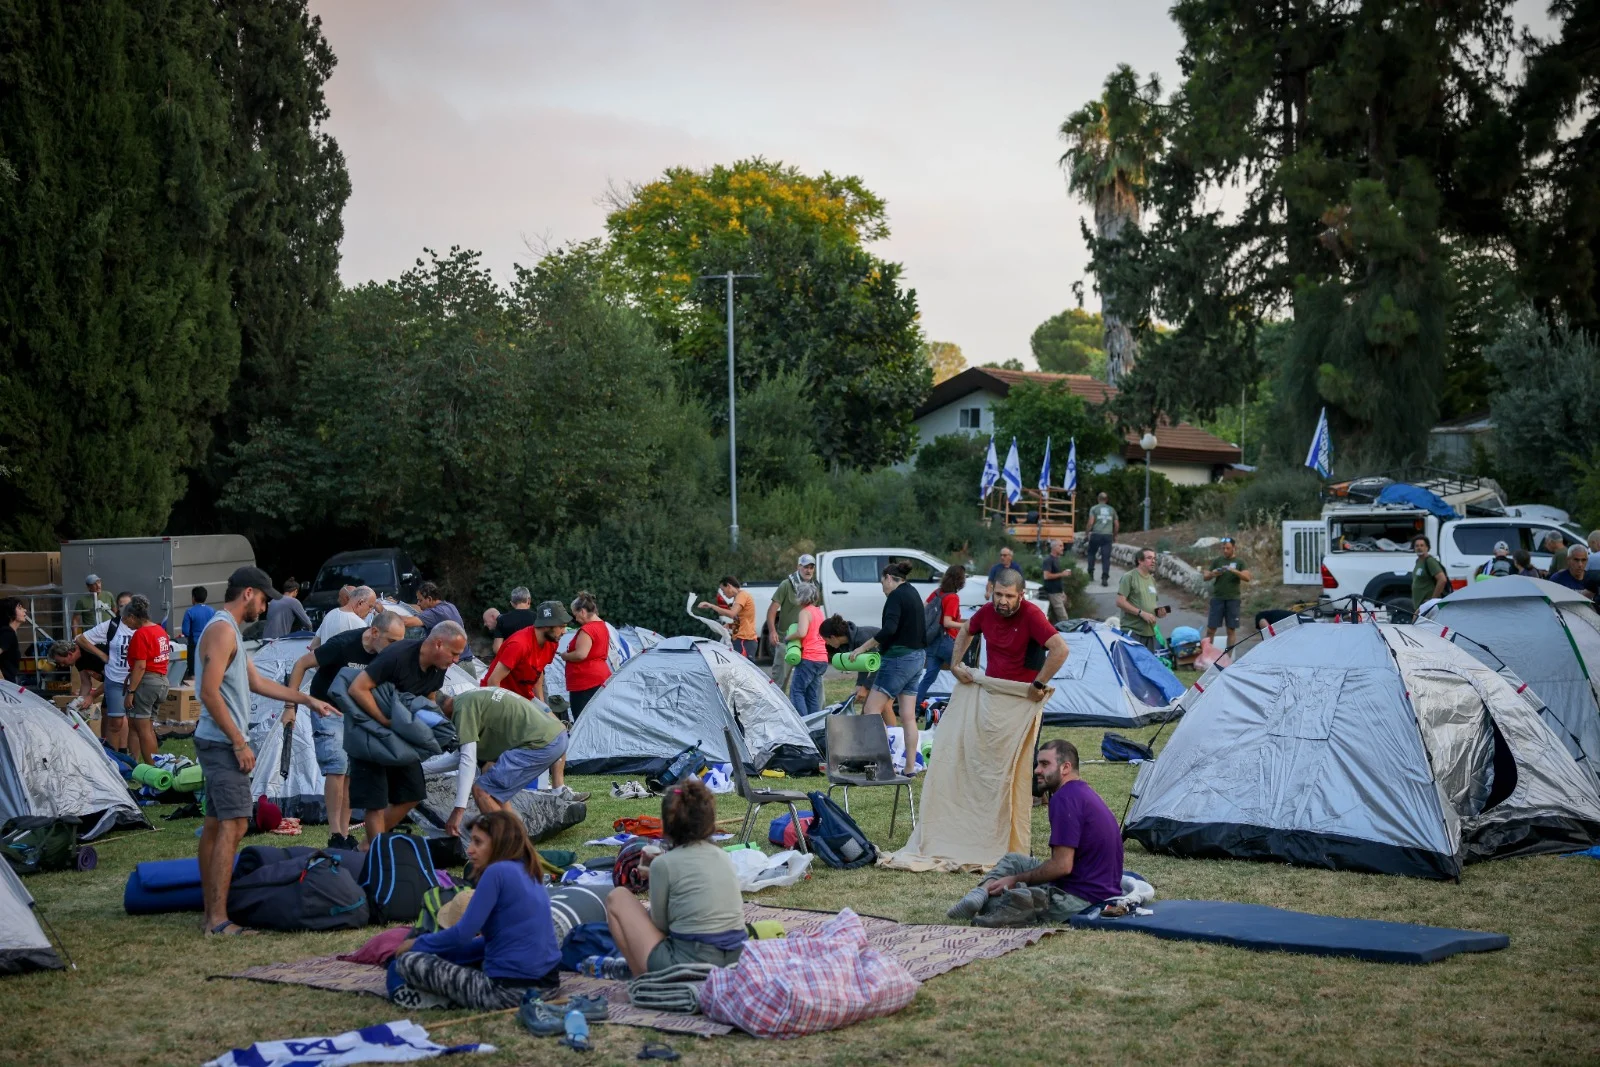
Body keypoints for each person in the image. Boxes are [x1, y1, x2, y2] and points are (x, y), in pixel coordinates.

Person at [194, 567, 336, 936]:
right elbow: (209, 692)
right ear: (248, 594)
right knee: (236, 823)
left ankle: (210, 909)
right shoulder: (223, 630)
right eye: (263, 597)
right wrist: (239, 742)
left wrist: (305, 698)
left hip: (218, 740)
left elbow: (256, 682)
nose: (265, 605)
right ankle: (217, 920)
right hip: (223, 743)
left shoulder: (230, 632)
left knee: (215, 824)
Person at [388, 810, 561, 1010]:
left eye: (478, 843)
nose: (469, 850)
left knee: (406, 963)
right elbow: (493, 941)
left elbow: (462, 934)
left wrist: (417, 943)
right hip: (549, 984)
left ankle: (427, 998)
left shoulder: (496, 872)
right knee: (464, 952)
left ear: (498, 844)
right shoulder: (527, 869)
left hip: (508, 992)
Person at [947, 740, 1124, 927]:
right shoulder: (1080, 792)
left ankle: (986, 897)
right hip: (1095, 887)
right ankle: (979, 894)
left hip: (1082, 899)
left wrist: (1015, 880)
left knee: (996, 903)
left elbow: (1062, 866)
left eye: (1045, 764)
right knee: (1014, 860)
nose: (1037, 770)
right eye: (1038, 764)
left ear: (1065, 768)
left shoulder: (1065, 799)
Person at [284, 611, 408, 850]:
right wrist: (291, 706)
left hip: (355, 713)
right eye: (392, 641)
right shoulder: (343, 645)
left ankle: (344, 832)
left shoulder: (387, 656)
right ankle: (334, 834)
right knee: (337, 767)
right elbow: (301, 664)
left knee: (352, 771)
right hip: (327, 708)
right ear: (374, 632)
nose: (395, 648)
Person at [601, 779, 746, 977]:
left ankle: (642, 979)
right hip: (733, 958)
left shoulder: (664, 864)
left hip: (689, 962)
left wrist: (657, 879)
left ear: (667, 825)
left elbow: (660, 925)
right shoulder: (722, 856)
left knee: (617, 897)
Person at [344, 621, 468, 844]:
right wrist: (385, 720)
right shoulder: (398, 656)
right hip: (368, 732)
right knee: (375, 800)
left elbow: (427, 701)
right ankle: (376, 854)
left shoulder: (438, 669)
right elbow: (357, 688)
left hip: (398, 737)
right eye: (454, 653)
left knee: (412, 793)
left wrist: (431, 729)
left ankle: (367, 845)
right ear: (438, 644)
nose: (456, 660)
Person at [438, 687, 571, 834]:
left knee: (482, 791)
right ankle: (519, 838)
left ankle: (509, 847)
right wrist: (421, 769)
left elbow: (467, 760)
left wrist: (458, 810)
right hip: (557, 735)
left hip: (542, 743)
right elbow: (460, 757)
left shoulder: (462, 710)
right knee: (493, 783)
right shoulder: (467, 698)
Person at [849, 562, 927, 774]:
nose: (882, 587)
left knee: (871, 710)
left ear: (889, 578)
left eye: (882, 582)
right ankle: (909, 767)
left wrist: (863, 647)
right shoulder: (912, 592)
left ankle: (887, 763)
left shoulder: (895, 597)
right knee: (908, 716)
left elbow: (889, 629)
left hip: (899, 659)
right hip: (918, 657)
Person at [950, 569, 1068, 694]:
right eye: (998, 594)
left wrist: (1038, 684)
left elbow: (1061, 649)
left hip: (1022, 694)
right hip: (992, 689)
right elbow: (965, 630)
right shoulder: (987, 611)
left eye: (1009, 596)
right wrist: (954, 666)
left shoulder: (1032, 615)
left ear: (1021, 595)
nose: (1002, 601)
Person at [80, 593, 136, 755]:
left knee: (136, 723)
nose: (124, 608)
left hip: (138, 679)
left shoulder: (141, 625)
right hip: (116, 679)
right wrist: (102, 655)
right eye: (121, 605)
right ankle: (114, 757)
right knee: (116, 722)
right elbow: (81, 639)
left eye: (128, 604)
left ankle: (134, 761)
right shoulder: (111, 625)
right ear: (117, 608)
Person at [483, 600, 569, 702]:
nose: (565, 631)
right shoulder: (519, 645)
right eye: (561, 626)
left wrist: (542, 705)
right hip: (501, 697)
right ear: (546, 625)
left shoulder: (552, 642)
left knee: (548, 716)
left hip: (523, 697)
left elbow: (538, 673)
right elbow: (493, 681)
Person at [122, 596, 171, 766]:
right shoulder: (159, 630)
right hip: (161, 681)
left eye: (126, 619)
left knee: (143, 730)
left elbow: (141, 666)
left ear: (133, 616)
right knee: (145, 727)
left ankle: (152, 770)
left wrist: (131, 691)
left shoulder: (141, 634)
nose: (126, 623)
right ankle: (138, 764)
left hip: (146, 683)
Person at [766, 555, 824, 693]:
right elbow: (772, 611)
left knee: (813, 686)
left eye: (811, 567)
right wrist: (772, 631)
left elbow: (817, 613)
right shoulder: (786, 585)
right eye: (805, 567)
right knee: (779, 682)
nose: (808, 570)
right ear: (798, 567)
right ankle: (775, 711)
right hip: (786, 639)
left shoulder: (815, 586)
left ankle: (817, 713)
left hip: (807, 643)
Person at [915, 566, 966, 716]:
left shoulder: (937, 593)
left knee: (928, 677)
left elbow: (922, 610)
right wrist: (965, 626)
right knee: (963, 673)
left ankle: (915, 708)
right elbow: (947, 622)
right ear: (960, 580)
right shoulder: (952, 597)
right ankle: (961, 707)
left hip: (932, 642)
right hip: (946, 642)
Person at [559, 591, 611, 717]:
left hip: (585, 682)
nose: (576, 619)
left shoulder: (587, 630)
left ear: (582, 611)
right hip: (601, 677)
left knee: (581, 718)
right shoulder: (602, 626)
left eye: (576, 615)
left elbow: (581, 654)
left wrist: (565, 655)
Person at [786, 582, 829, 719]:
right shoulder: (818, 612)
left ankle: (803, 724)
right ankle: (816, 725)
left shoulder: (805, 612)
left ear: (800, 596)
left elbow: (801, 632)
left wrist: (788, 637)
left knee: (797, 691)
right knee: (812, 694)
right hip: (822, 658)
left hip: (809, 658)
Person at [1202, 537, 1252, 649]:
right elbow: (1205, 576)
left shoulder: (1240, 562)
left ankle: (1228, 658)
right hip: (1217, 598)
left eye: (1228, 548)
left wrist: (1233, 570)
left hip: (1233, 599)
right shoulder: (1217, 561)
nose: (1225, 551)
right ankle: (1206, 656)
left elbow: (1247, 577)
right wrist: (1213, 574)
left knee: (1230, 630)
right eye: (1223, 548)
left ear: (1234, 548)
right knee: (1211, 629)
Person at [820, 615, 879, 705]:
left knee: (877, 706)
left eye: (826, 640)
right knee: (871, 706)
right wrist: (860, 684)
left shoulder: (862, 638)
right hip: (889, 665)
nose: (826, 643)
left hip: (898, 661)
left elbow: (878, 665)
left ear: (832, 637)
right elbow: (865, 665)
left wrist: (865, 687)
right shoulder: (848, 642)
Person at [1116, 548, 1168, 650]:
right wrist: (1141, 613)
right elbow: (1120, 602)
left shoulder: (1152, 580)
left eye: (1154, 558)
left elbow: (1150, 605)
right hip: (1133, 631)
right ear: (1140, 560)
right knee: (1132, 665)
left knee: (1147, 665)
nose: (1153, 561)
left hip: (1150, 633)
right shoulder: (1129, 577)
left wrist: (1158, 612)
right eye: (1149, 558)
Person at [698, 577, 758, 658]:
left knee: (742, 669)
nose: (723, 593)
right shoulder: (738, 597)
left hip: (745, 640)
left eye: (723, 590)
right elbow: (742, 620)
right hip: (741, 640)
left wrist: (712, 606)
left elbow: (732, 614)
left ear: (729, 586)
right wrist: (730, 626)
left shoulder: (742, 595)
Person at [415, 582, 472, 664]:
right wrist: (398, 603)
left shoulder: (435, 613)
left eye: (420, 600)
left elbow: (407, 622)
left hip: (457, 666)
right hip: (467, 662)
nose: (418, 603)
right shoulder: (449, 606)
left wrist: (390, 615)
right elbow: (418, 608)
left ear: (429, 599)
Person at [49, 639, 103, 706]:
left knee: (108, 710)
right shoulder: (78, 659)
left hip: (117, 680)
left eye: (63, 662)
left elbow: (113, 679)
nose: (62, 665)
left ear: (70, 654)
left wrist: (92, 696)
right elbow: (86, 683)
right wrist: (79, 702)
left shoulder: (92, 654)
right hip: (113, 683)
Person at [1086, 492, 1119, 587]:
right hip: (1107, 536)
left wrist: (1087, 533)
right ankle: (1105, 577)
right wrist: (1115, 535)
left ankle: (1090, 574)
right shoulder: (1112, 509)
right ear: (1107, 499)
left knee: (1091, 553)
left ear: (1098, 499)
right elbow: (1116, 524)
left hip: (1096, 534)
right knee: (1106, 557)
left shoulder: (1094, 508)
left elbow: (1091, 522)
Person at [1410, 536, 1449, 618]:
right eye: (1416, 546)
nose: (1419, 548)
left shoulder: (1430, 561)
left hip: (1427, 605)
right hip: (1420, 605)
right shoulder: (1418, 561)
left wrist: (1432, 601)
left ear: (1427, 547)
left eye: (1422, 545)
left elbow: (1442, 580)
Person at [181, 587, 215, 675]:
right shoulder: (212, 611)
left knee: (194, 675)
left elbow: (185, 631)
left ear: (193, 598)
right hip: (210, 647)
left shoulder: (190, 611)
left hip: (195, 647)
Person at [492, 587, 537, 654]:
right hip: (532, 660)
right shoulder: (537, 618)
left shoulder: (502, 619)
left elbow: (497, 648)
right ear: (529, 600)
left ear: (512, 603)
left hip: (511, 660)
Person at [1041, 540, 1072, 623]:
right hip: (1053, 593)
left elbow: (1056, 575)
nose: (1063, 548)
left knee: (1068, 606)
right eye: (1060, 546)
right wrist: (1062, 574)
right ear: (1054, 547)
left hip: (1059, 592)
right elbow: (1046, 576)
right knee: (1064, 618)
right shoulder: (1048, 560)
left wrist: (1062, 591)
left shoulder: (1056, 559)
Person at [0, 597, 24, 683]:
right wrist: (2, 681)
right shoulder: (7, 633)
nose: (24, 610)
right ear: (9, 613)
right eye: (20, 608)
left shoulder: (8, 632)